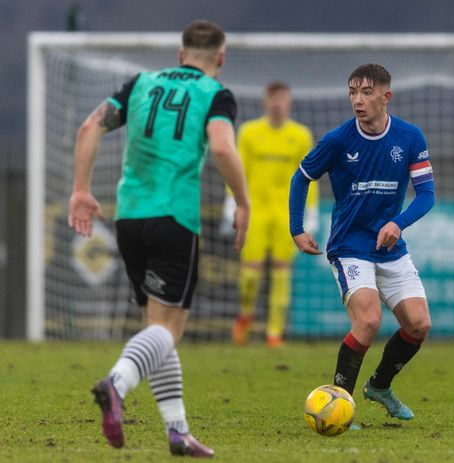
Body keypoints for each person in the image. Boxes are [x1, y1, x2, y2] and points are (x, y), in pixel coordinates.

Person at [68, 20, 249, 456]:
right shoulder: (215, 93)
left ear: (179, 54)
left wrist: (79, 190)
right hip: (175, 216)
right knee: (169, 329)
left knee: (157, 327)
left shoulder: (141, 83)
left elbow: (89, 127)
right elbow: (223, 147)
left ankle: (177, 430)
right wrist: (242, 201)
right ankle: (117, 383)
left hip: (129, 218)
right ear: (220, 60)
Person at [289, 64, 435, 420]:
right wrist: (297, 228)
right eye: (352, 93)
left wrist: (398, 224)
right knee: (368, 321)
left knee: (419, 324)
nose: (358, 100)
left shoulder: (409, 137)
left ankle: (380, 386)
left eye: (366, 93)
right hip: (349, 246)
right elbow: (301, 177)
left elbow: (426, 195)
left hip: (389, 249)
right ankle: (340, 403)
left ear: (386, 97)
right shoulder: (339, 139)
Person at [223, 82, 319, 347]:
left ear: (290, 103)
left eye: (282, 99)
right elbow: (237, 168)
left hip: (286, 212)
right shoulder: (249, 132)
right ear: (265, 103)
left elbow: (309, 175)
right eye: (273, 99)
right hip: (256, 209)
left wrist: (309, 211)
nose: (277, 104)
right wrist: (231, 202)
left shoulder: (300, 135)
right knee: (251, 273)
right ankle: (245, 315)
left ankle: (274, 333)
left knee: (281, 270)